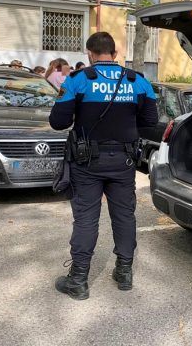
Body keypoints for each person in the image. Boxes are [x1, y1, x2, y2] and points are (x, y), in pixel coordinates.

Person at [49, 31, 158, 300]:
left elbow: (58, 122)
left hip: (87, 163)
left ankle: (78, 280)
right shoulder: (139, 81)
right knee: (124, 216)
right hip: (124, 161)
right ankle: (124, 273)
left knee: (86, 218)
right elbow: (150, 122)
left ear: (89, 53)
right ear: (115, 53)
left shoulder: (78, 80)